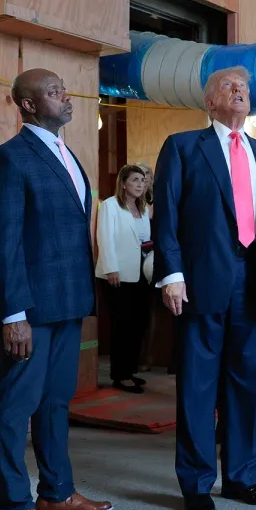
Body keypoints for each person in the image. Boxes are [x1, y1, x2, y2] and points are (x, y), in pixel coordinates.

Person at [153, 66, 256, 510]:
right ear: (209, 102)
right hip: (200, 282)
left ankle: (241, 477)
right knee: (197, 386)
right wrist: (171, 274)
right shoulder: (182, 148)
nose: (239, 92)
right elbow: (167, 217)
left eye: (245, 88)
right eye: (228, 87)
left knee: (245, 384)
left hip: (254, 283)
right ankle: (196, 484)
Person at [0, 68, 112, 510]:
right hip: (30, 310)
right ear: (29, 105)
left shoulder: (67, 154)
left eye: (64, 90)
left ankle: (56, 492)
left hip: (68, 301)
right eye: (55, 93)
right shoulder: (8, 160)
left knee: (56, 403)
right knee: (15, 407)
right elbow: (1, 239)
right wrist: (13, 313)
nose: (66, 98)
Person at [96, 163, 154, 393]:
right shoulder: (110, 205)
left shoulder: (143, 208)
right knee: (122, 326)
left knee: (138, 325)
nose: (140, 184)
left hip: (140, 273)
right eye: (134, 180)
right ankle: (119, 375)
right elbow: (105, 238)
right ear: (123, 183)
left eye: (142, 180)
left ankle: (130, 371)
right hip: (116, 274)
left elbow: (145, 242)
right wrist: (111, 268)